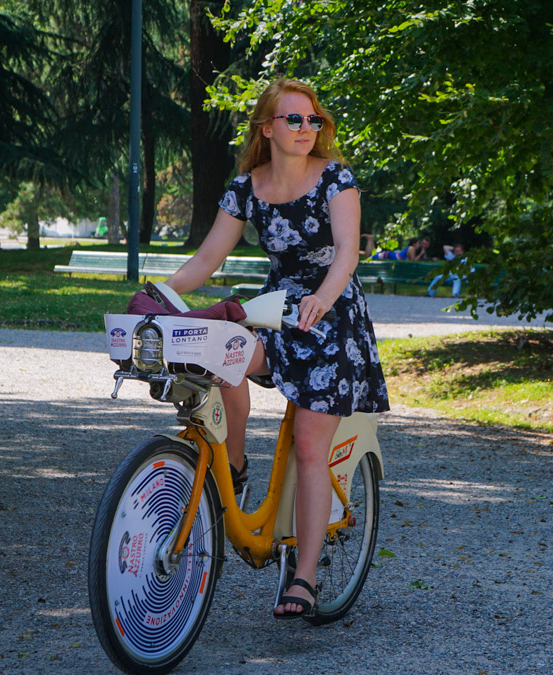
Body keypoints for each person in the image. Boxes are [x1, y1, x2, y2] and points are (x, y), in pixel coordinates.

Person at [164, 78, 390, 620]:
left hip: (331, 317)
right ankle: (235, 463)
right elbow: (205, 261)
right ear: (268, 128)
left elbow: (345, 256)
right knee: (222, 354)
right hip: (276, 309)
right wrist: (160, 295)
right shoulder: (246, 187)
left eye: (314, 120)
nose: (307, 129)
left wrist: (320, 300)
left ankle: (305, 578)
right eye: (294, 120)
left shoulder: (336, 179)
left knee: (311, 449)